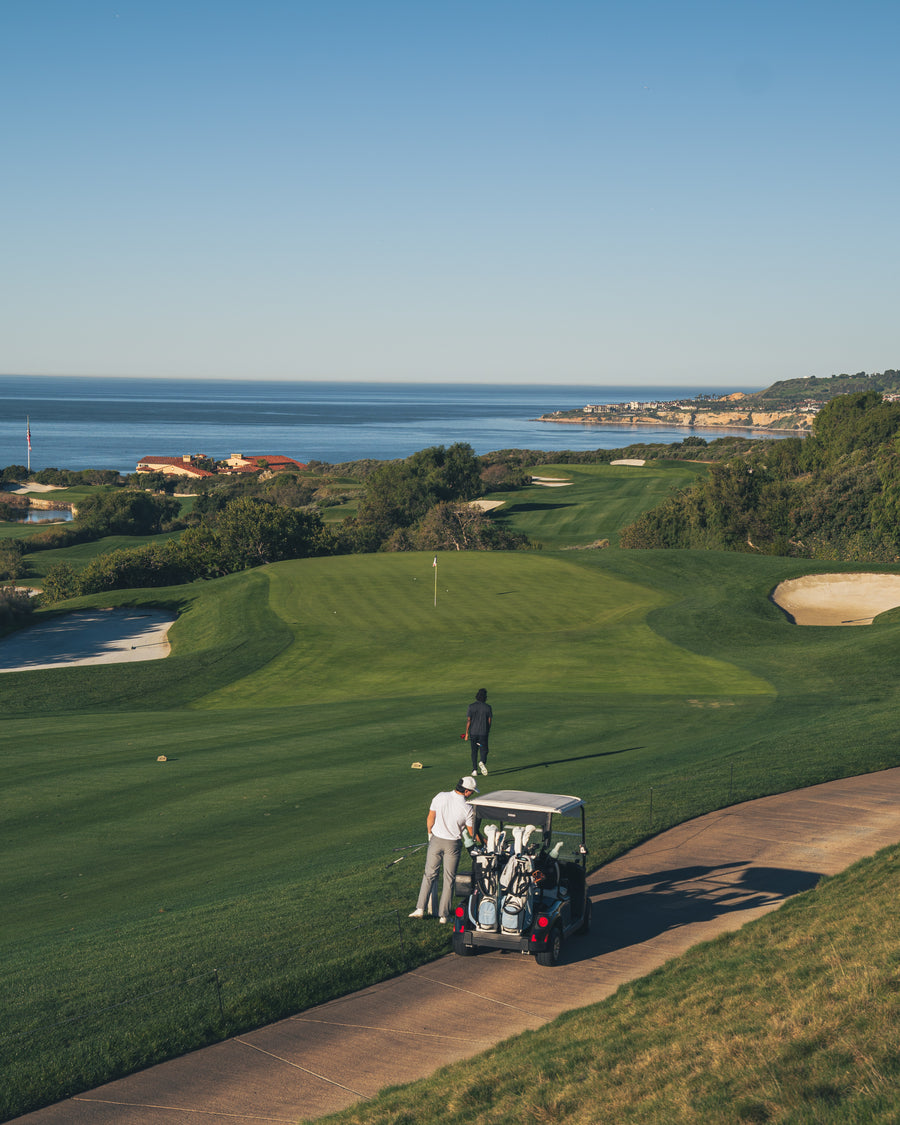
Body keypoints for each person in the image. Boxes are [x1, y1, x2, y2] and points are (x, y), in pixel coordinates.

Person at [409, 776, 480, 923]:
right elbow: (472, 833)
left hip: (435, 840)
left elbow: (430, 818)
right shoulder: (467, 808)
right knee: (449, 879)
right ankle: (444, 915)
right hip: (453, 844)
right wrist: (485, 840)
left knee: (429, 874)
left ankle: (420, 909)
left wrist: (430, 834)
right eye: (472, 792)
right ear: (466, 791)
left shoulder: (440, 796)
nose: (472, 794)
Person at [464, 688, 492, 775]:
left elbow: (469, 720)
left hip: (473, 733)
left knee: (474, 751)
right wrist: (488, 730)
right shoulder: (488, 707)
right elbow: (489, 721)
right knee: (484, 749)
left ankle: (474, 770)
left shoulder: (471, 706)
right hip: (483, 733)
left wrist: (466, 733)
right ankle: (482, 761)